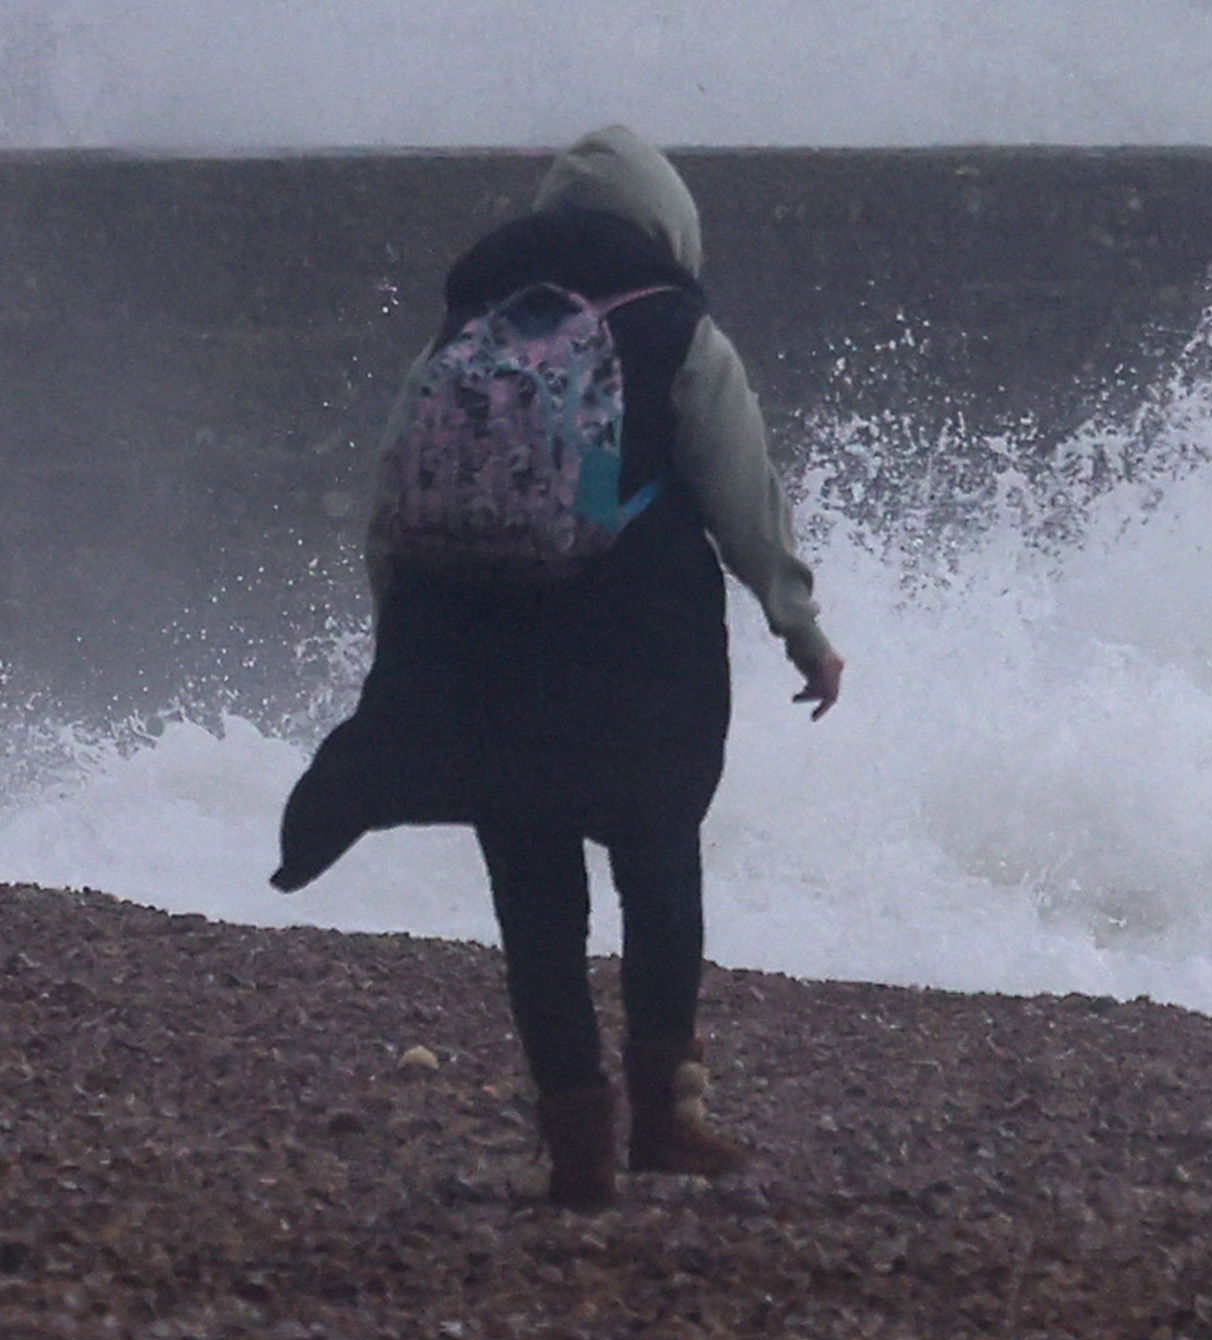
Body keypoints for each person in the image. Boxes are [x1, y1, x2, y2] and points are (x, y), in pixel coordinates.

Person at [274, 128, 844, 1209]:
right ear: (665, 219)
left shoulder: (471, 327)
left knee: (536, 898)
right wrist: (799, 624)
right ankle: (668, 1118)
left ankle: (575, 1138)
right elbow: (742, 494)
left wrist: (406, 638)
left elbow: (397, 503)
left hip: (484, 648)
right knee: (659, 872)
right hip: (644, 651)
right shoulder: (678, 327)